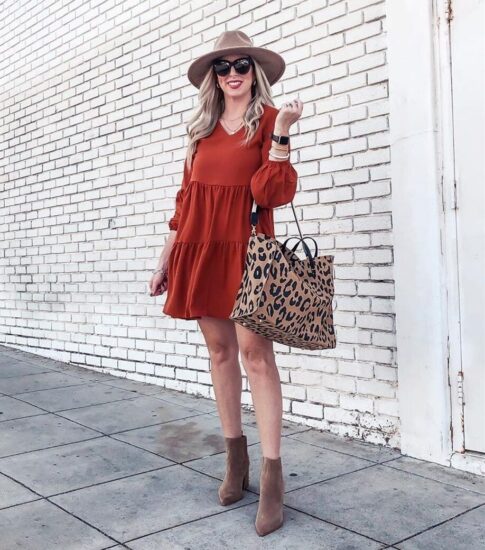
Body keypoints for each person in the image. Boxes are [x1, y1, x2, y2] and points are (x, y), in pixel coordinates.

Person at [148, 30, 303, 537]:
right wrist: (166, 259)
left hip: (246, 250)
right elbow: (184, 203)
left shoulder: (268, 122)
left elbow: (272, 192)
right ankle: (234, 458)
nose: (232, 73)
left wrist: (281, 134)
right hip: (201, 249)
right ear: (213, 78)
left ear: (253, 72)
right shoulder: (200, 131)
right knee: (219, 354)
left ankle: (273, 475)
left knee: (255, 353)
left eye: (241, 65)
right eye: (223, 67)